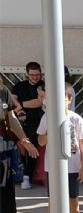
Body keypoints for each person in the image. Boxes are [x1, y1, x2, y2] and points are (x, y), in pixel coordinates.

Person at [36, 83, 83, 213]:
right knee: (53, 200)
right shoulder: (47, 117)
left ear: (69, 99)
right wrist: (50, 131)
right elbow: (40, 140)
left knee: (73, 200)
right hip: (52, 167)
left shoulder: (76, 118)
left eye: (63, 99)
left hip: (72, 166)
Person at [1, 83, 39, 213]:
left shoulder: (2, 92)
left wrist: (24, 139)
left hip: (2, 152)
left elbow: (10, 117)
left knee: (2, 199)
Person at [11, 62, 44, 190]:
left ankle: (26, 176)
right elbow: (12, 99)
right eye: (32, 75)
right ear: (27, 74)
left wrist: (21, 105)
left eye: (37, 74)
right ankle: (18, 174)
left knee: (32, 147)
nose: (35, 77)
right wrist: (18, 110)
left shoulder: (43, 85)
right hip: (18, 121)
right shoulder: (19, 86)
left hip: (36, 122)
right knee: (18, 148)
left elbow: (39, 102)